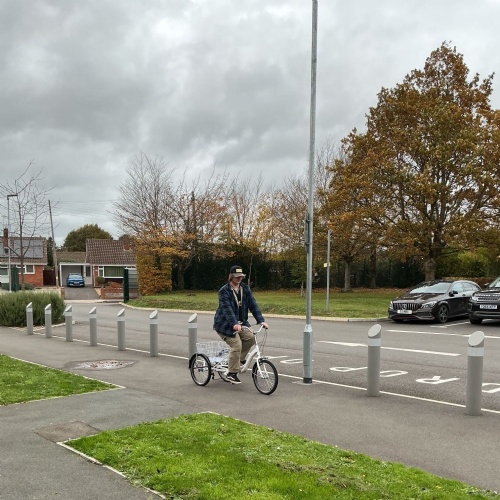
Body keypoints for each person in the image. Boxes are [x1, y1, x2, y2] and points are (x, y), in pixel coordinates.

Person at [213, 265, 269, 384]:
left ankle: (237, 360)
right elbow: (227, 310)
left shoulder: (245, 288)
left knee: (250, 338)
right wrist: (234, 323)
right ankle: (232, 373)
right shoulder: (224, 291)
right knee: (236, 345)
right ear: (231, 276)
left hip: (241, 323)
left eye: (241, 276)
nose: (239, 278)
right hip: (225, 325)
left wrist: (261, 320)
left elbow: (253, 305)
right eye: (237, 276)